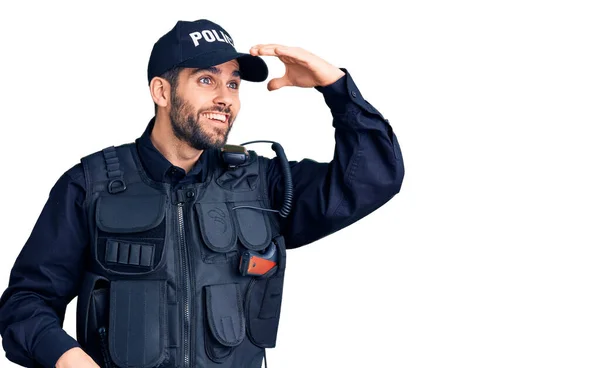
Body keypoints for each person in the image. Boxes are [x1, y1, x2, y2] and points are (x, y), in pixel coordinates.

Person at [0, 19, 404, 368]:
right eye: (206, 80)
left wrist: (335, 86)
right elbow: (25, 303)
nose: (225, 98)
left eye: (233, 83)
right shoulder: (90, 185)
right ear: (161, 92)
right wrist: (67, 357)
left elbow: (374, 177)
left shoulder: (264, 184)